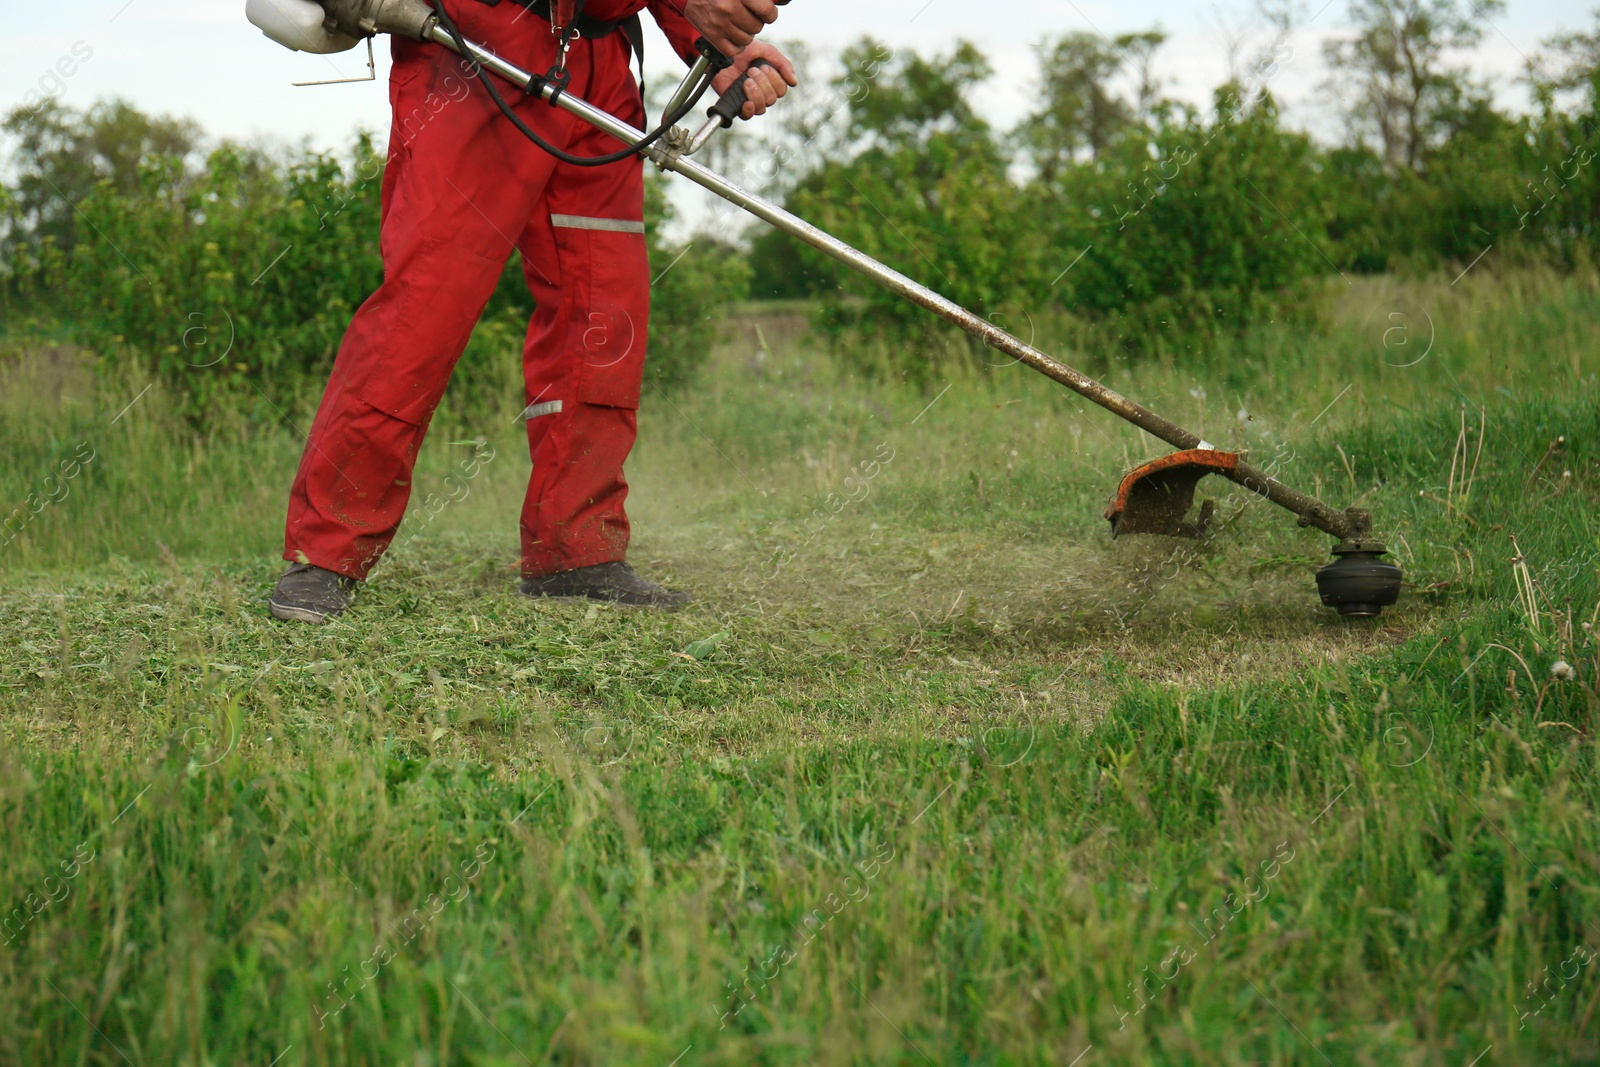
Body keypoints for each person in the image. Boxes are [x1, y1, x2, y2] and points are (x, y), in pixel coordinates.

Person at [269, 0, 795, 624]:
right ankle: (325, 554)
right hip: (480, 50)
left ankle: (576, 548)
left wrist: (718, 51)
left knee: (602, 313)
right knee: (425, 309)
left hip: (599, 61)